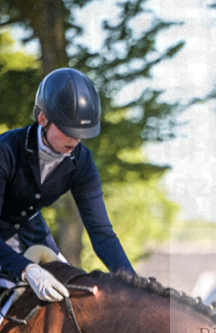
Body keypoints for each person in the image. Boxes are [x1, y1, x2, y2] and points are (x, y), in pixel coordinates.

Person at [0, 67, 134, 302]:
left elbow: (101, 232)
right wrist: (26, 269)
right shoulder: (6, 151)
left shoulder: (82, 161)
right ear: (43, 119)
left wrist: (133, 284)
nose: (76, 139)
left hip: (34, 235)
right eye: (68, 130)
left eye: (82, 133)